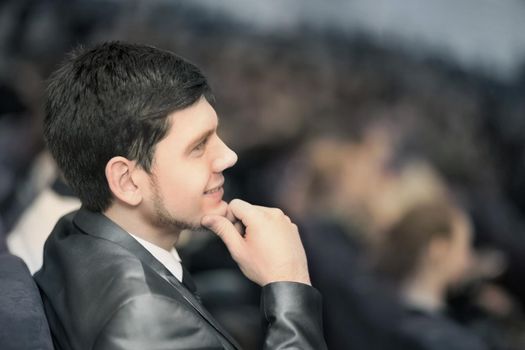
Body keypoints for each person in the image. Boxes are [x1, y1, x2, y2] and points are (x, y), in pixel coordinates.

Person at [34, 42, 326, 350]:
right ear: (127, 181)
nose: (228, 156)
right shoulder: (147, 317)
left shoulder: (74, 231)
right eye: (198, 146)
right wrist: (288, 281)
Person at [374, 201, 488, 350]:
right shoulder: (434, 337)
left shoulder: (390, 314)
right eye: (463, 247)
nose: (468, 260)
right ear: (438, 249)